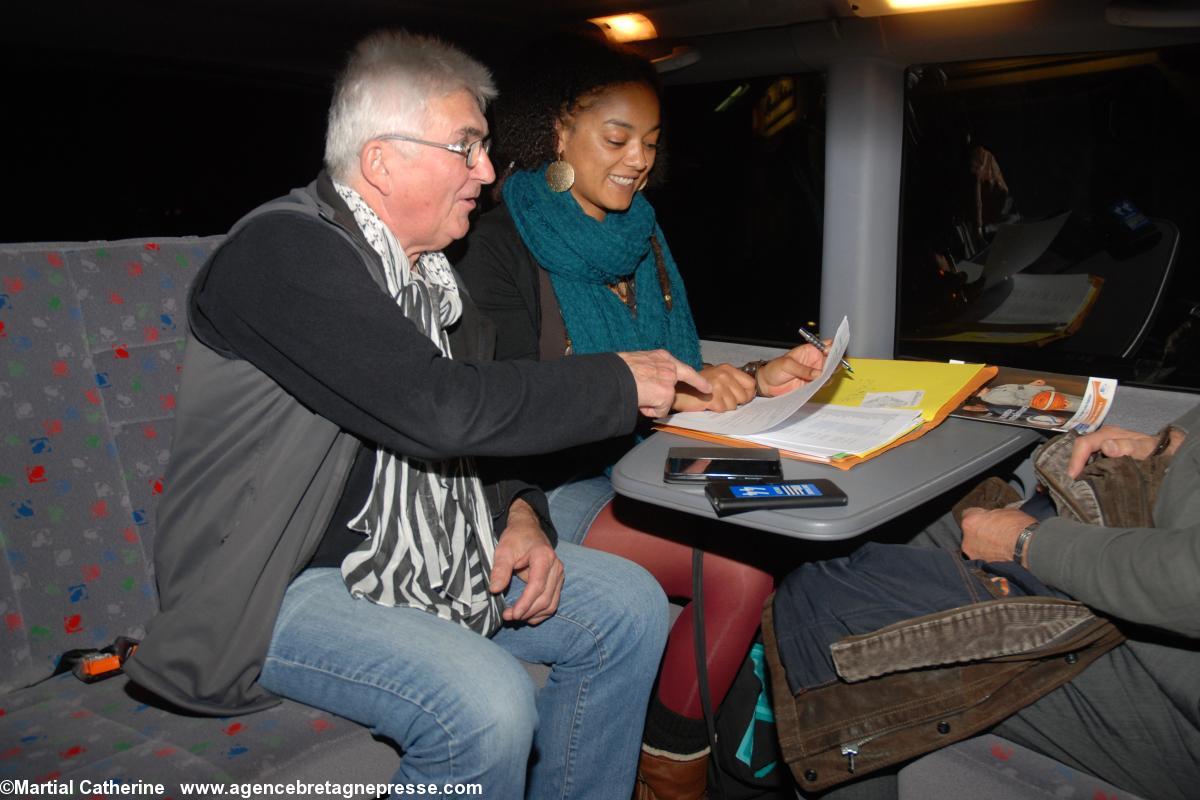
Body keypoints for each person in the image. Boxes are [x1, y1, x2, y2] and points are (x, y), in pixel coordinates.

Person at [123, 30, 715, 800]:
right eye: (466, 148)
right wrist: (616, 382)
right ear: (382, 160)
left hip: (429, 553)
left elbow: (482, 418)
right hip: (279, 583)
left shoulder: (437, 282)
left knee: (629, 608)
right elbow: (439, 409)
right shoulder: (282, 254)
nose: (490, 171)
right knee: (489, 704)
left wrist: (521, 515)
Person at [455, 35, 826, 797]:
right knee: (740, 568)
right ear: (560, 132)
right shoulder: (499, 246)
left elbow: (671, 379)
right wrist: (658, 396)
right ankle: (670, 766)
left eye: (651, 143)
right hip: (543, 486)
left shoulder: (643, 236)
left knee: (798, 507)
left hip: (645, 464)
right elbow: (503, 410)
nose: (637, 160)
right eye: (617, 137)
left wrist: (756, 379)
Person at [770, 413, 1200, 800]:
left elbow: (1189, 583)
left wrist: (1030, 543)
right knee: (924, 520)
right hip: (1142, 540)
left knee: (830, 602)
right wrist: (1173, 445)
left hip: (1166, 660)